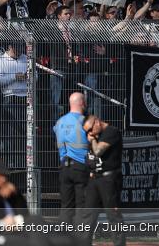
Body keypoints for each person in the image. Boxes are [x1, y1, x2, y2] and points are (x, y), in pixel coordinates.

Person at [82, 114, 125, 246]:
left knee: (113, 214)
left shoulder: (111, 132)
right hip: (95, 177)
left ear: (97, 123)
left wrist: (93, 139)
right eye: (87, 131)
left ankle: (119, 243)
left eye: (90, 129)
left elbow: (98, 151)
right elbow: (90, 157)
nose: (89, 133)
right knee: (88, 215)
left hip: (109, 178)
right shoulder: (95, 135)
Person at [54, 91, 89, 228]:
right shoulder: (85, 121)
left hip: (64, 166)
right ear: (82, 103)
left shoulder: (60, 122)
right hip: (81, 165)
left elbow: (60, 140)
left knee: (66, 205)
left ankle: (63, 237)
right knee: (81, 204)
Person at [0, 42, 28, 170]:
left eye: (20, 48)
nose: (19, 51)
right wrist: (14, 77)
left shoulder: (26, 58)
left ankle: (24, 163)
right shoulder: (1, 60)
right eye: (16, 48)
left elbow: (35, 77)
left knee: (25, 131)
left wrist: (28, 77)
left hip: (26, 98)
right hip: (10, 98)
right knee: (10, 132)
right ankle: (10, 163)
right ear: (10, 47)